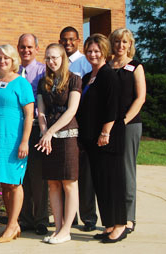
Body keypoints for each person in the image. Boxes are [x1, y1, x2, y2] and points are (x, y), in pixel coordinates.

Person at [77, 33, 127, 243]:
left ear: (105, 52)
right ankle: (109, 225)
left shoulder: (109, 75)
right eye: (89, 51)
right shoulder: (89, 76)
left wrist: (105, 132)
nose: (93, 54)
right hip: (91, 140)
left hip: (107, 139)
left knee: (112, 183)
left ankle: (120, 225)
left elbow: (113, 108)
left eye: (97, 51)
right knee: (100, 183)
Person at [0, 44, 34, 243]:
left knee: (14, 183)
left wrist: (25, 141)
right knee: (3, 184)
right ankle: (11, 224)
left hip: (14, 140)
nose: (2, 61)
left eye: (6, 58)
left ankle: (13, 224)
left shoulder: (21, 83)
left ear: (13, 60)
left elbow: (29, 114)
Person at [36, 44, 82, 244]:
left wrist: (51, 132)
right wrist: (45, 131)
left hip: (67, 136)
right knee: (53, 183)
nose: (51, 61)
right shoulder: (43, 82)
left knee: (69, 183)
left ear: (63, 58)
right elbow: (41, 111)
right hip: (48, 139)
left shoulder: (74, 79)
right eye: (48, 58)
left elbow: (71, 110)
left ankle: (66, 230)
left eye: (55, 57)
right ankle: (57, 229)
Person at [59, 26, 97, 232]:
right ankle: (69, 217)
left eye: (71, 40)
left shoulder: (85, 63)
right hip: (64, 125)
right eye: (64, 40)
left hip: (83, 123)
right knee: (67, 172)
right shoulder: (59, 63)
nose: (68, 43)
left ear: (77, 40)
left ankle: (89, 217)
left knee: (86, 174)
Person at [108, 28, 146, 234]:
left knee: (126, 170)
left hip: (129, 125)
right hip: (108, 127)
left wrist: (123, 121)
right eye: (117, 42)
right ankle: (115, 217)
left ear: (130, 44)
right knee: (111, 173)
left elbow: (140, 98)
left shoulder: (135, 66)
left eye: (124, 42)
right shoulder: (107, 67)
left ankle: (129, 218)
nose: (120, 46)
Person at [17, 33, 49, 236]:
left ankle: (41, 220)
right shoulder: (14, 70)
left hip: (37, 127)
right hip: (17, 129)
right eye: (22, 47)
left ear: (37, 49)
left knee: (38, 176)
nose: (26, 50)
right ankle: (25, 218)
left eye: (29, 47)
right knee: (21, 175)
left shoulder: (43, 71)